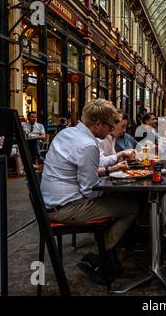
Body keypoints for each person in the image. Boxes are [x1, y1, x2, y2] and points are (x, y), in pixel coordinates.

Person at [40, 99, 139, 285]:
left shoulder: (67, 133)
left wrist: (116, 157)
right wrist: (111, 193)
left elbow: (94, 163)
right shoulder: (88, 145)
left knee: (115, 201)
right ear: (98, 124)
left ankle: (107, 257)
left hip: (52, 202)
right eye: (110, 127)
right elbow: (89, 190)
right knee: (131, 206)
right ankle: (95, 256)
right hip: (66, 208)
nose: (111, 131)